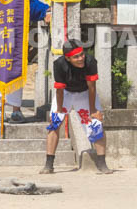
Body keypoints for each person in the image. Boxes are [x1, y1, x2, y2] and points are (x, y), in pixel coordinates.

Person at [0, 0, 51, 122]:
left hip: (17, 47)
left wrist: (49, 15)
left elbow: (46, 10)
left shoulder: (26, 1)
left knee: (15, 75)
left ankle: (16, 110)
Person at [41, 39, 112, 174]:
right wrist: (59, 110)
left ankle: (102, 163)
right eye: (76, 57)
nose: (81, 59)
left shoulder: (90, 62)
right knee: (54, 124)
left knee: (96, 124)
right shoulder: (59, 64)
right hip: (66, 94)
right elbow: (60, 90)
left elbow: (92, 87)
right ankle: (49, 164)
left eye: (82, 54)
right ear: (68, 58)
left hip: (85, 93)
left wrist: (93, 110)